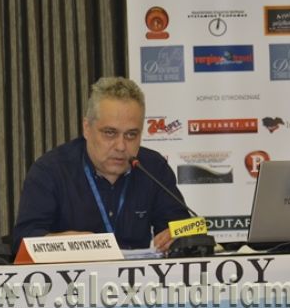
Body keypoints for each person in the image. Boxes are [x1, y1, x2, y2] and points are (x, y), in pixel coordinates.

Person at [12, 76, 190, 256]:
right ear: (87, 128)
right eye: (110, 133)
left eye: (131, 135)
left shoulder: (153, 168)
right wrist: (66, 244)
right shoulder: (51, 170)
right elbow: (22, 241)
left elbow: (189, 227)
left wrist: (179, 234)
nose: (121, 146)